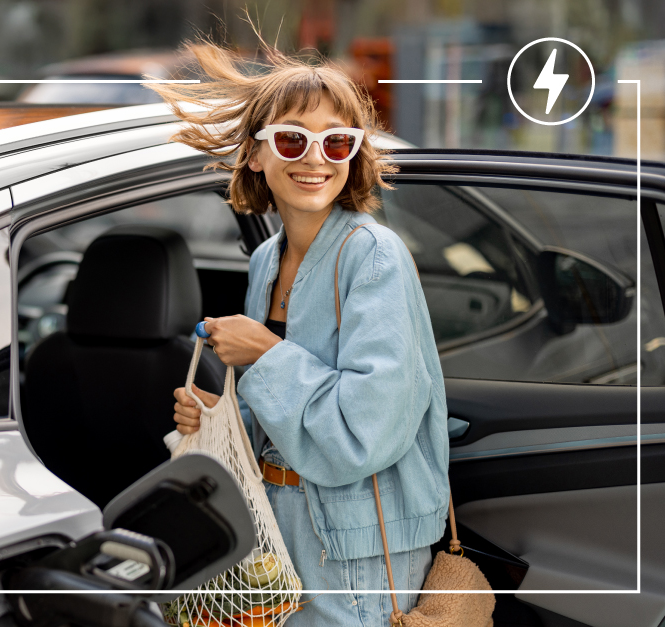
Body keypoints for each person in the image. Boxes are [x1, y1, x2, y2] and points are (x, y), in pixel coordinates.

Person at [151, 43, 451, 626]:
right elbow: (287, 413)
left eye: (337, 141)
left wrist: (264, 355)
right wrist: (220, 414)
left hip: (358, 548)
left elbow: (364, 432)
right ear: (256, 155)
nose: (316, 158)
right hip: (281, 529)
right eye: (292, 139)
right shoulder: (267, 257)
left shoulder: (373, 256)